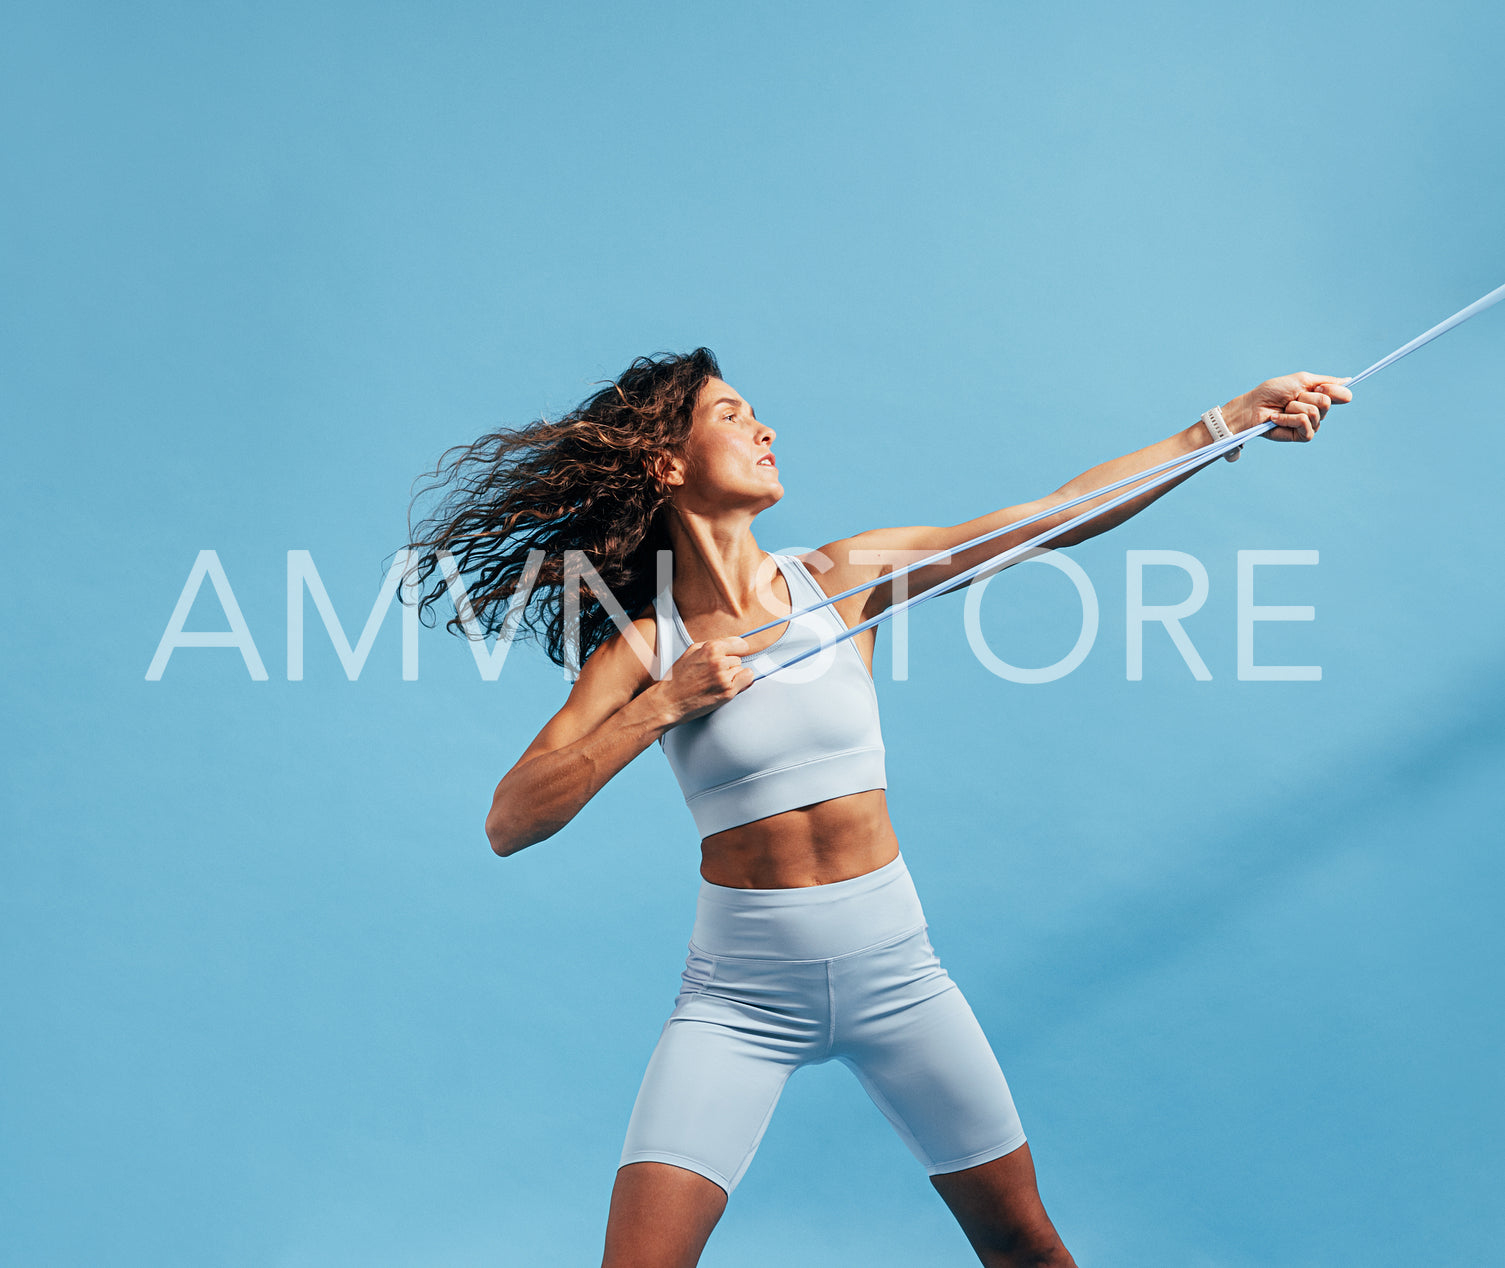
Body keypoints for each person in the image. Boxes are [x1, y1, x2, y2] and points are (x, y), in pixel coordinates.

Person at [403, 349, 1350, 1267]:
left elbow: (1051, 518)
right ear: (668, 463)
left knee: (1024, 1247)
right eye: (729, 415)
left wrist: (1222, 423)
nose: (763, 425)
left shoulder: (840, 580)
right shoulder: (646, 649)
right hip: (739, 1003)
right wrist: (663, 704)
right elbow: (511, 820)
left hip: (897, 976)